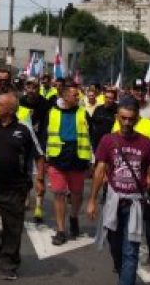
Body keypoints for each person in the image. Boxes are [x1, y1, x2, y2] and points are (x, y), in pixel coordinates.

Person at [87, 98, 150, 285]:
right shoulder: (108, 140)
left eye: (131, 119)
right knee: (115, 248)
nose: (127, 123)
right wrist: (92, 200)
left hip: (135, 205)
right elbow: (100, 170)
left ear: (137, 119)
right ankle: (120, 266)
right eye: (123, 118)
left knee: (131, 252)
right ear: (117, 117)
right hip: (113, 202)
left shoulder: (146, 143)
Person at [0, 92, 44, 280]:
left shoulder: (24, 130)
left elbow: (39, 155)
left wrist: (40, 180)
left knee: (12, 229)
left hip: (15, 189)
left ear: (10, 109)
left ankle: (9, 263)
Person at [45, 81, 92, 245]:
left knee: (77, 194)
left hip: (78, 157)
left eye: (78, 93)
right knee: (58, 194)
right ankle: (60, 230)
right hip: (57, 158)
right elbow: (45, 135)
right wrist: (44, 159)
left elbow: (90, 136)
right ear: (64, 96)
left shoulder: (83, 112)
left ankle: (73, 217)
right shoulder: (52, 112)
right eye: (74, 94)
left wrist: (90, 160)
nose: (78, 96)